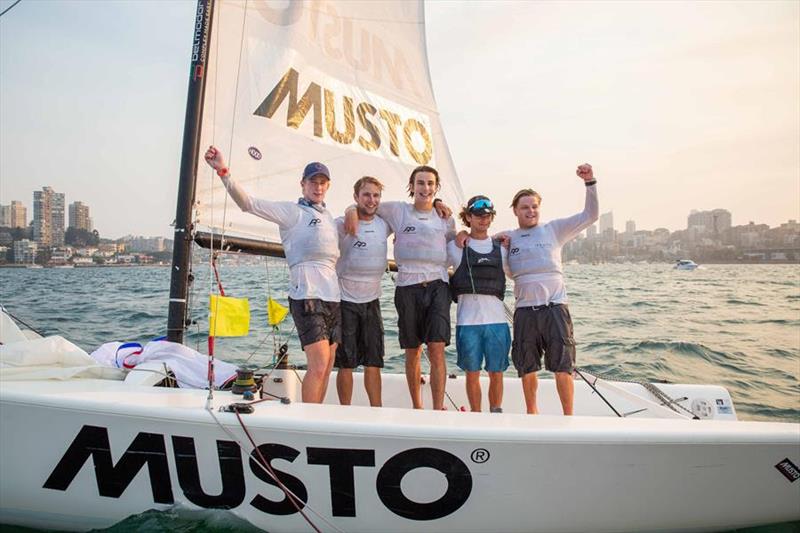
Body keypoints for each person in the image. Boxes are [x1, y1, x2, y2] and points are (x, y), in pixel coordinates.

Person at [203, 146, 340, 404]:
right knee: (319, 364)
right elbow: (248, 204)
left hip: (333, 297)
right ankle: (309, 422)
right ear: (303, 184)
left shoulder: (330, 218)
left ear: (328, 186)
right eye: (313, 182)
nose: (318, 187)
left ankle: (318, 415)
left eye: (322, 182)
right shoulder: (292, 212)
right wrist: (223, 171)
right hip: (307, 295)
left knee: (328, 364)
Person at [345, 166, 455, 410]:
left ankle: (437, 409)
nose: (425, 188)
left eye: (430, 184)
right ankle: (417, 407)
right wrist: (351, 210)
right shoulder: (397, 210)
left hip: (438, 285)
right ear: (412, 186)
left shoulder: (445, 217)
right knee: (412, 350)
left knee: (437, 349)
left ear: (436, 187)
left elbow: (454, 243)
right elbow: (366, 205)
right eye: (420, 183)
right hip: (407, 286)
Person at [505, 164, 598, 415]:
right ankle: (532, 414)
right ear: (515, 210)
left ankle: (568, 416)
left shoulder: (553, 229)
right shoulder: (507, 237)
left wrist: (590, 183)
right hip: (524, 311)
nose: (531, 211)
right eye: (525, 207)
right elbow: (477, 240)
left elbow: (590, 215)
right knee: (527, 366)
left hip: (555, 308)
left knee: (563, 366)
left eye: (534, 206)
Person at [447, 195, 510, 413]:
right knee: (472, 373)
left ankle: (495, 411)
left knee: (496, 372)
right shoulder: (455, 247)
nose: (483, 220)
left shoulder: (503, 248)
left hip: (497, 323)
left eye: (488, 216)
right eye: (478, 215)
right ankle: (476, 415)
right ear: (468, 217)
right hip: (467, 323)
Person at [334, 176, 392, 407]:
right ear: (356, 196)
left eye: (376, 195)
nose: (371, 200)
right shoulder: (343, 223)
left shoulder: (384, 223)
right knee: (346, 362)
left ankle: (376, 410)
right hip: (345, 300)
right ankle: (344, 410)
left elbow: (412, 211)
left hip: (372, 302)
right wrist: (350, 210)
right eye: (366, 195)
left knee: (373, 361)